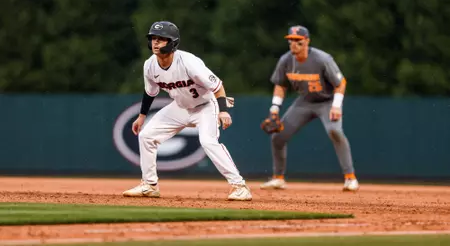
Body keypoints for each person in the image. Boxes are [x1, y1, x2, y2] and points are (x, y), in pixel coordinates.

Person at [122, 21, 252, 201]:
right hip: (181, 107)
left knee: (208, 141)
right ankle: (149, 185)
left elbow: (218, 86)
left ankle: (239, 186)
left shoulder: (189, 62)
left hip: (206, 105)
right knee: (146, 136)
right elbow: (150, 92)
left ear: (173, 42)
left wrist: (223, 111)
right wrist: (142, 116)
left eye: (161, 39)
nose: (156, 42)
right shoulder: (150, 65)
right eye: (153, 38)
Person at [260, 25, 359, 192]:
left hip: (327, 102)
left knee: (335, 131)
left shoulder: (322, 59)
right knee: (278, 137)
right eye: (291, 40)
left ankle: (350, 178)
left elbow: (340, 83)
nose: (293, 44)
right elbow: (280, 85)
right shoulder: (286, 60)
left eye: (298, 40)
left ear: (307, 41)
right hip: (304, 102)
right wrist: (274, 108)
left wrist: (336, 105)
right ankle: (278, 178)